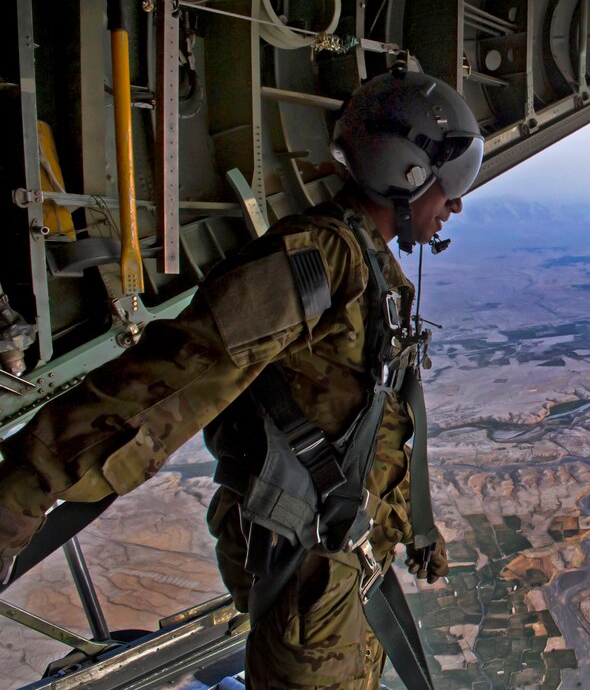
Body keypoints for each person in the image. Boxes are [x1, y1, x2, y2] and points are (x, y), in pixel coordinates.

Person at [0, 63, 483, 689]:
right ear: (407, 172)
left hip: (340, 572)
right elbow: (176, 375)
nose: (456, 203)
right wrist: (18, 497)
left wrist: (412, 528)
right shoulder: (319, 259)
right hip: (306, 581)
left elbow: (374, 423)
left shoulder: (369, 270)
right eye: (450, 183)